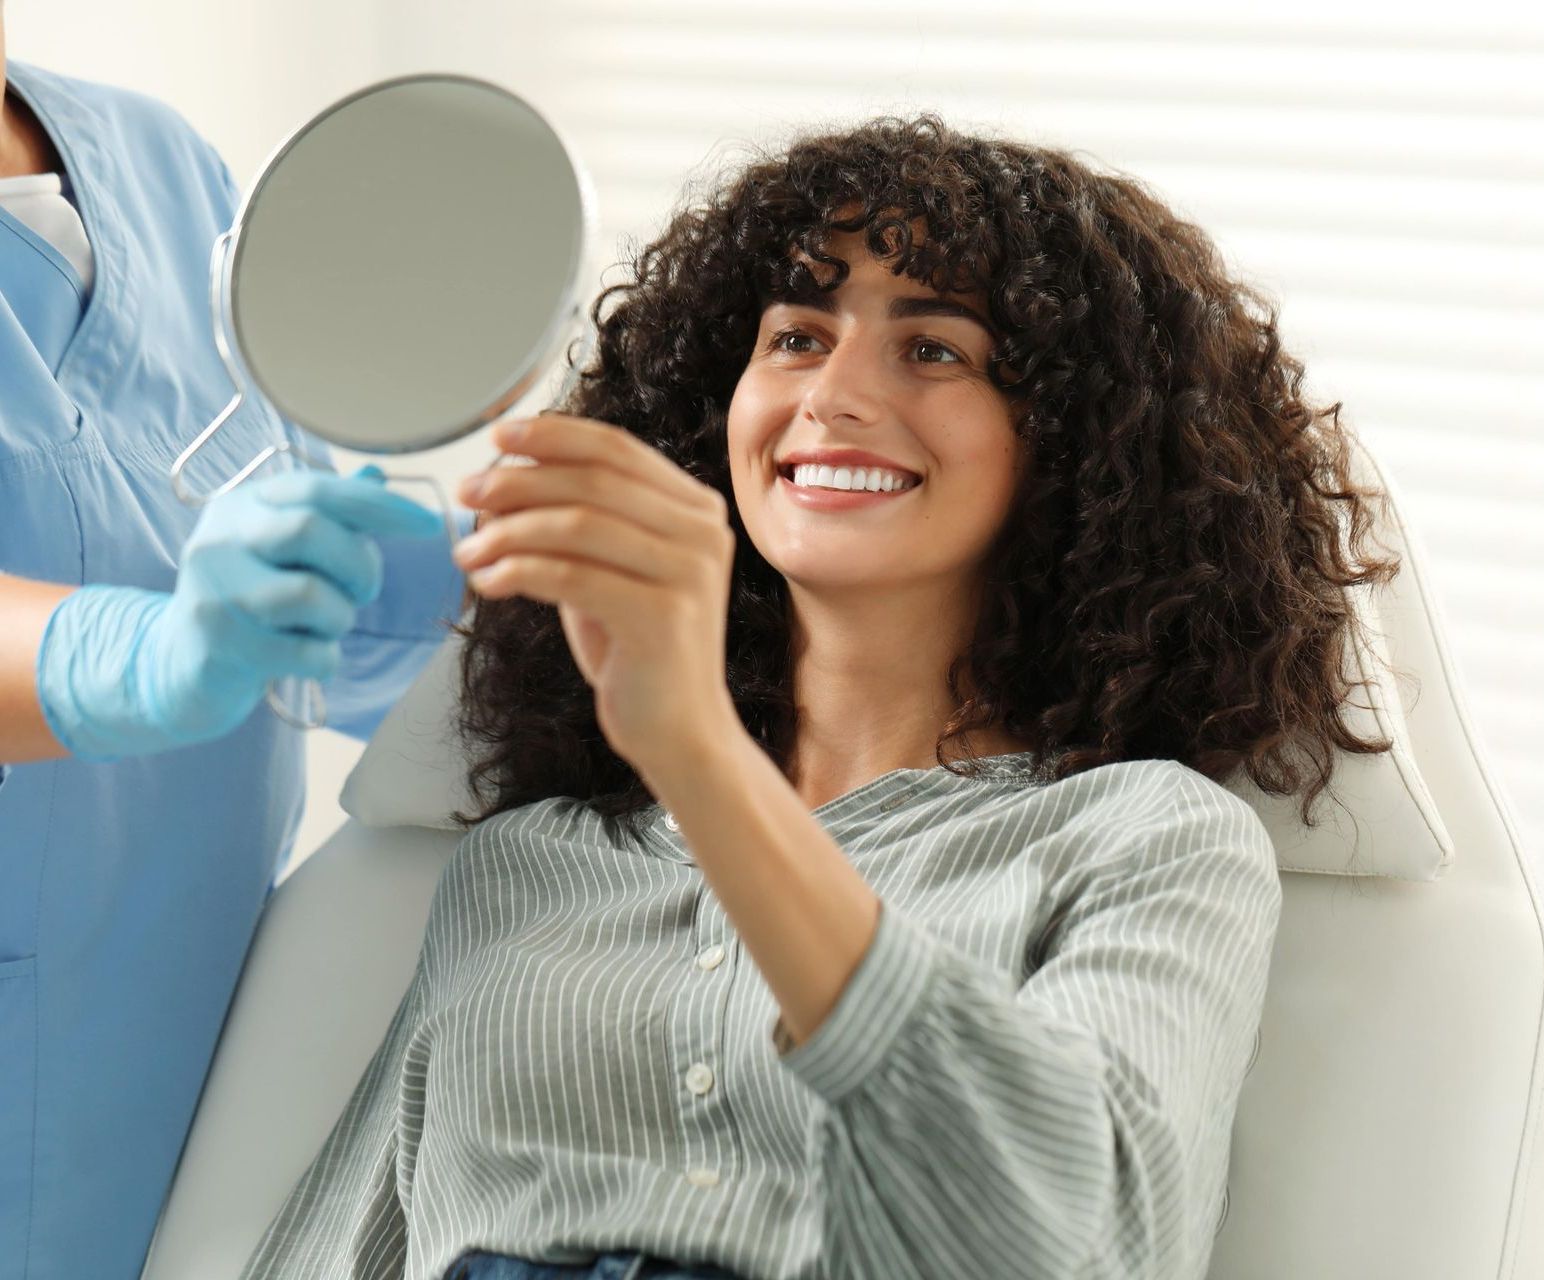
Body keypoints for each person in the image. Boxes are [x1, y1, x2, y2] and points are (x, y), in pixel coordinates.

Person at [238, 113, 1403, 1280]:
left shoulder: (1142, 838)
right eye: (796, 335)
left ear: (1080, 443)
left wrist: (701, 756)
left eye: (935, 349)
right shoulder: (525, 863)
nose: (832, 395)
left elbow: (1071, 1240)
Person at [0, 43, 474, 1280]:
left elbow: (284, 571)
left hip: (211, 1098)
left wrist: (458, 601)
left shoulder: (162, 167)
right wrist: (143, 652)